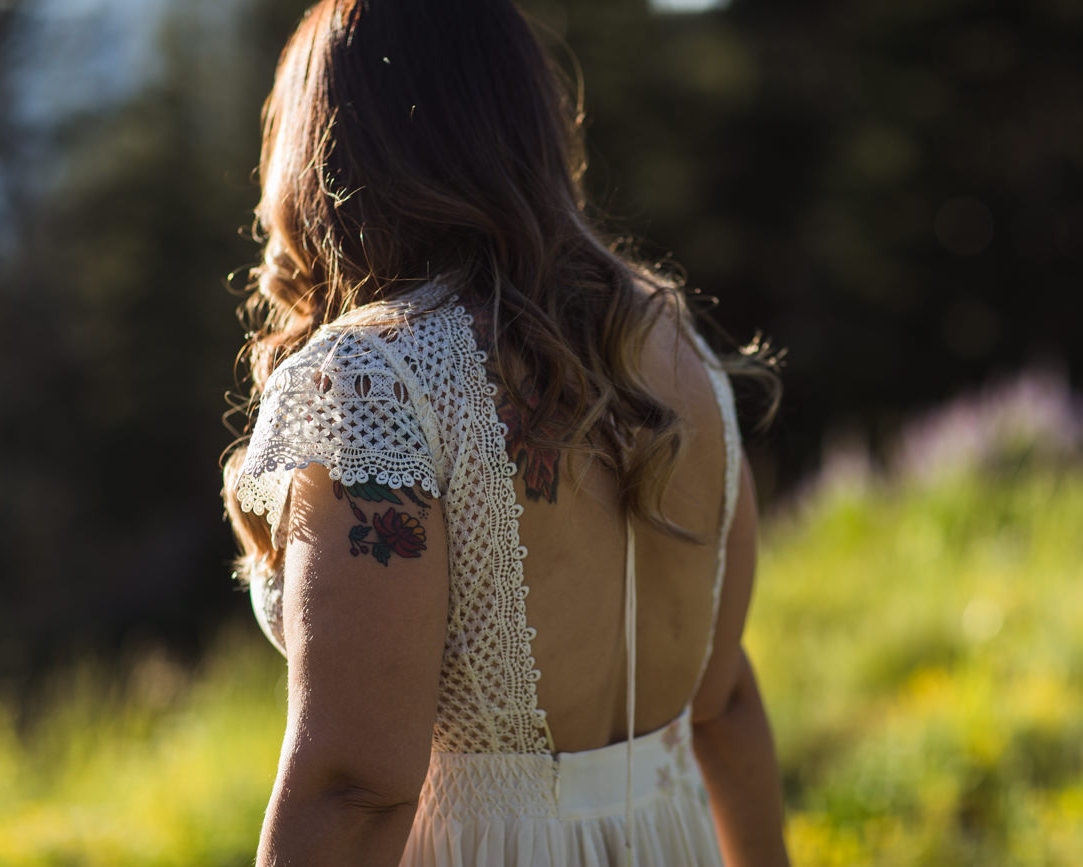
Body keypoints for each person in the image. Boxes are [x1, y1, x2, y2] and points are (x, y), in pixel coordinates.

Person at [222, 1, 788, 864]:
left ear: (328, 148)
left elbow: (355, 786)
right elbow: (726, 699)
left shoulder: (381, 378)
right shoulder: (676, 351)